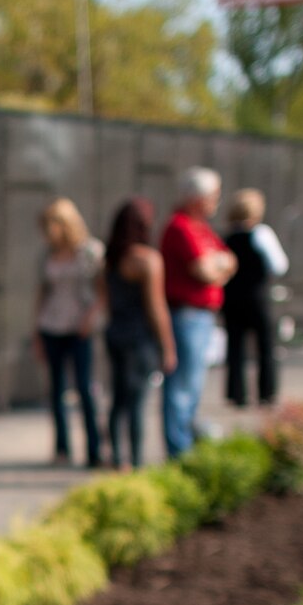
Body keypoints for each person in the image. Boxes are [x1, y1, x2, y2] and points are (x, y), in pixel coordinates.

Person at [159, 168, 236, 458]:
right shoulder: (180, 226)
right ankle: (178, 451)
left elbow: (230, 261)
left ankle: (186, 445)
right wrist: (216, 268)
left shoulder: (201, 227)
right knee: (181, 386)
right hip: (186, 315)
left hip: (202, 316)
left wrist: (215, 268)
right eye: (213, 195)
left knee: (194, 384)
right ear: (197, 197)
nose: (217, 201)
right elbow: (203, 270)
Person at [100, 198, 176, 468]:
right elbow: (156, 307)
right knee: (137, 401)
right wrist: (168, 346)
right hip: (138, 337)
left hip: (115, 333)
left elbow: (105, 299)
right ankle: (136, 461)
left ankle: (116, 457)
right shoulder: (147, 260)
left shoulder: (110, 259)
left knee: (119, 398)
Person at [30, 198, 106, 468]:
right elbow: (42, 292)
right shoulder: (47, 254)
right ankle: (62, 448)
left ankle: (94, 449)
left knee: (85, 388)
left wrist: (91, 317)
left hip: (79, 328)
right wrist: (37, 330)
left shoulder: (90, 251)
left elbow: (102, 291)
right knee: (56, 389)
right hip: (52, 326)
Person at [220, 188, 288, 410]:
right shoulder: (261, 234)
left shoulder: (226, 236)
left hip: (231, 299)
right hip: (256, 297)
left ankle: (237, 394)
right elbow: (279, 265)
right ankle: (266, 393)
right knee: (265, 346)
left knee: (235, 348)